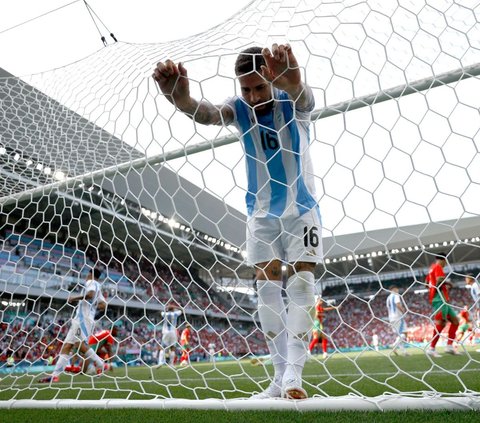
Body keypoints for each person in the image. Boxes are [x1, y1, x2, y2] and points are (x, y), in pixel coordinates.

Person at [153, 43, 321, 400]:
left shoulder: (292, 102)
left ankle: (294, 374)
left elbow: (304, 98)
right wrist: (181, 101)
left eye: (260, 87)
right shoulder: (240, 108)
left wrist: (293, 82)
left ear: (272, 79)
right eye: (246, 89)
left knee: (303, 281)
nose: (253, 95)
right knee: (266, 288)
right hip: (259, 212)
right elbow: (210, 114)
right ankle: (277, 377)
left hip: (300, 207)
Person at [38, 268, 107, 383]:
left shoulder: (91, 283)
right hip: (80, 319)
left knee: (79, 344)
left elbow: (90, 295)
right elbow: (103, 305)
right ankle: (54, 376)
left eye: (87, 274)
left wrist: (74, 298)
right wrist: (93, 306)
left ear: (90, 274)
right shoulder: (98, 286)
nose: (86, 276)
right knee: (67, 346)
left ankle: (100, 363)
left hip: (83, 319)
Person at [426, 254, 459, 358]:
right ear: (443, 260)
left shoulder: (431, 268)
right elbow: (440, 280)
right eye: (445, 262)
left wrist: (433, 289)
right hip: (439, 298)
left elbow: (426, 283)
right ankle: (431, 348)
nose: (445, 264)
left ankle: (449, 346)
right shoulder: (438, 267)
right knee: (441, 323)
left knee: (455, 321)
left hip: (442, 298)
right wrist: (449, 283)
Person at [386, 286, 410, 356]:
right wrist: (403, 311)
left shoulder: (388, 298)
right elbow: (398, 304)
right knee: (404, 333)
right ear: (393, 289)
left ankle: (404, 352)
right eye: (397, 289)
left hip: (391, 318)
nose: (398, 290)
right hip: (398, 317)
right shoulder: (396, 295)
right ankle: (394, 345)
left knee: (400, 335)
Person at [161, 302, 182, 366]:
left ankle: (160, 362)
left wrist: (167, 307)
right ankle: (171, 364)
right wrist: (175, 307)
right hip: (173, 332)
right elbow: (182, 310)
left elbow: (162, 311)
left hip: (166, 332)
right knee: (173, 348)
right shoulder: (175, 313)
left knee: (163, 348)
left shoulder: (165, 314)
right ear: (173, 309)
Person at [465, 273, 480, 352]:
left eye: (466, 278)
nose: (465, 280)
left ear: (470, 279)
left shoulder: (475, 285)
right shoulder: (473, 286)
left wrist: (478, 308)